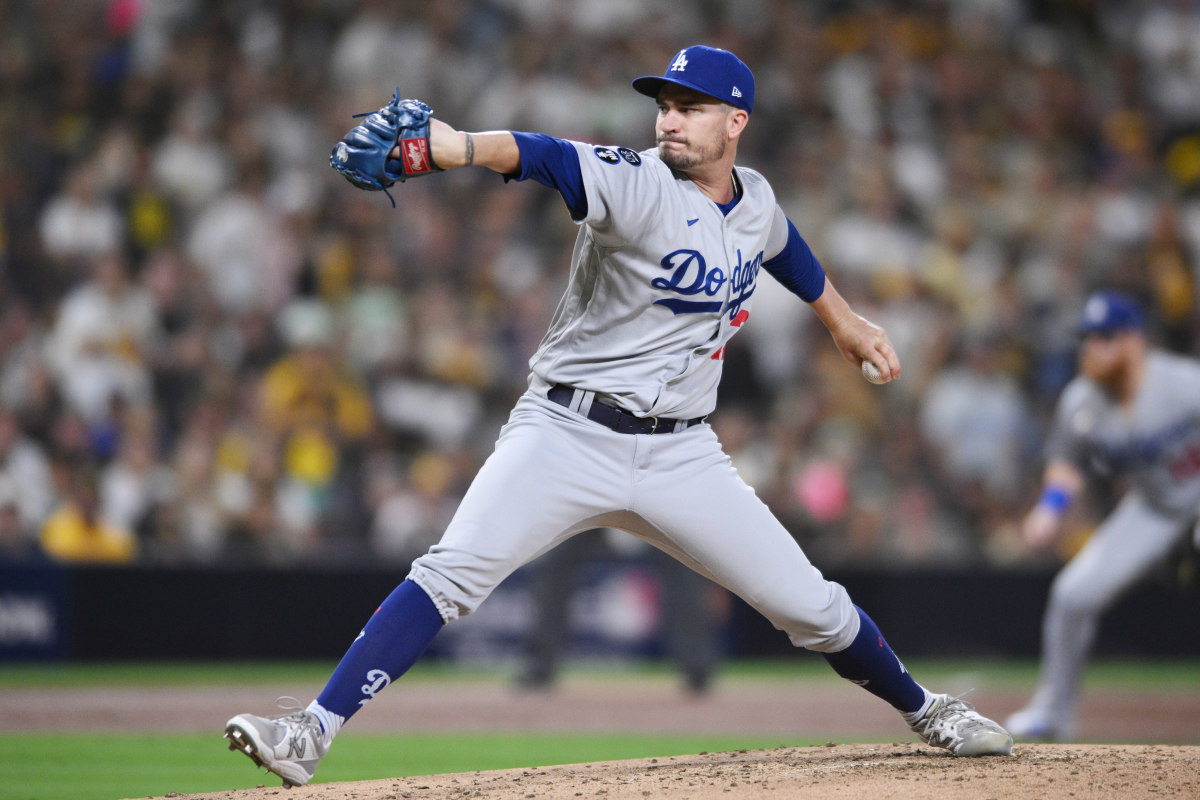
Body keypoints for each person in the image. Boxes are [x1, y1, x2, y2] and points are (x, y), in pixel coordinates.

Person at [224, 45, 1012, 788]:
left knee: (811, 605)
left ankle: (926, 709)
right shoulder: (635, 181)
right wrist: (453, 146)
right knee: (451, 571)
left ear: (736, 122)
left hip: (683, 454)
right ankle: (312, 733)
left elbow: (782, 245)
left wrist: (841, 318)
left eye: (691, 107)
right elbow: (541, 154)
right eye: (664, 104)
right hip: (565, 433)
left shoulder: (757, 198)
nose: (668, 119)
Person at [1006, 290, 1200, 741]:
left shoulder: (1182, 383)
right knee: (1072, 594)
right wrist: (1050, 510)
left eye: (1106, 336)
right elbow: (1067, 464)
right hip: (1153, 510)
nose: (1093, 347)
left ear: (1135, 340)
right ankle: (1053, 713)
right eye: (1089, 337)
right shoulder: (1081, 401)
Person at [516, 527, 721, 695]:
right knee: (554, 561)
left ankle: (697, 667)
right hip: (598, 508)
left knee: (683, 562)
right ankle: (539, 666)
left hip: (650, 505)